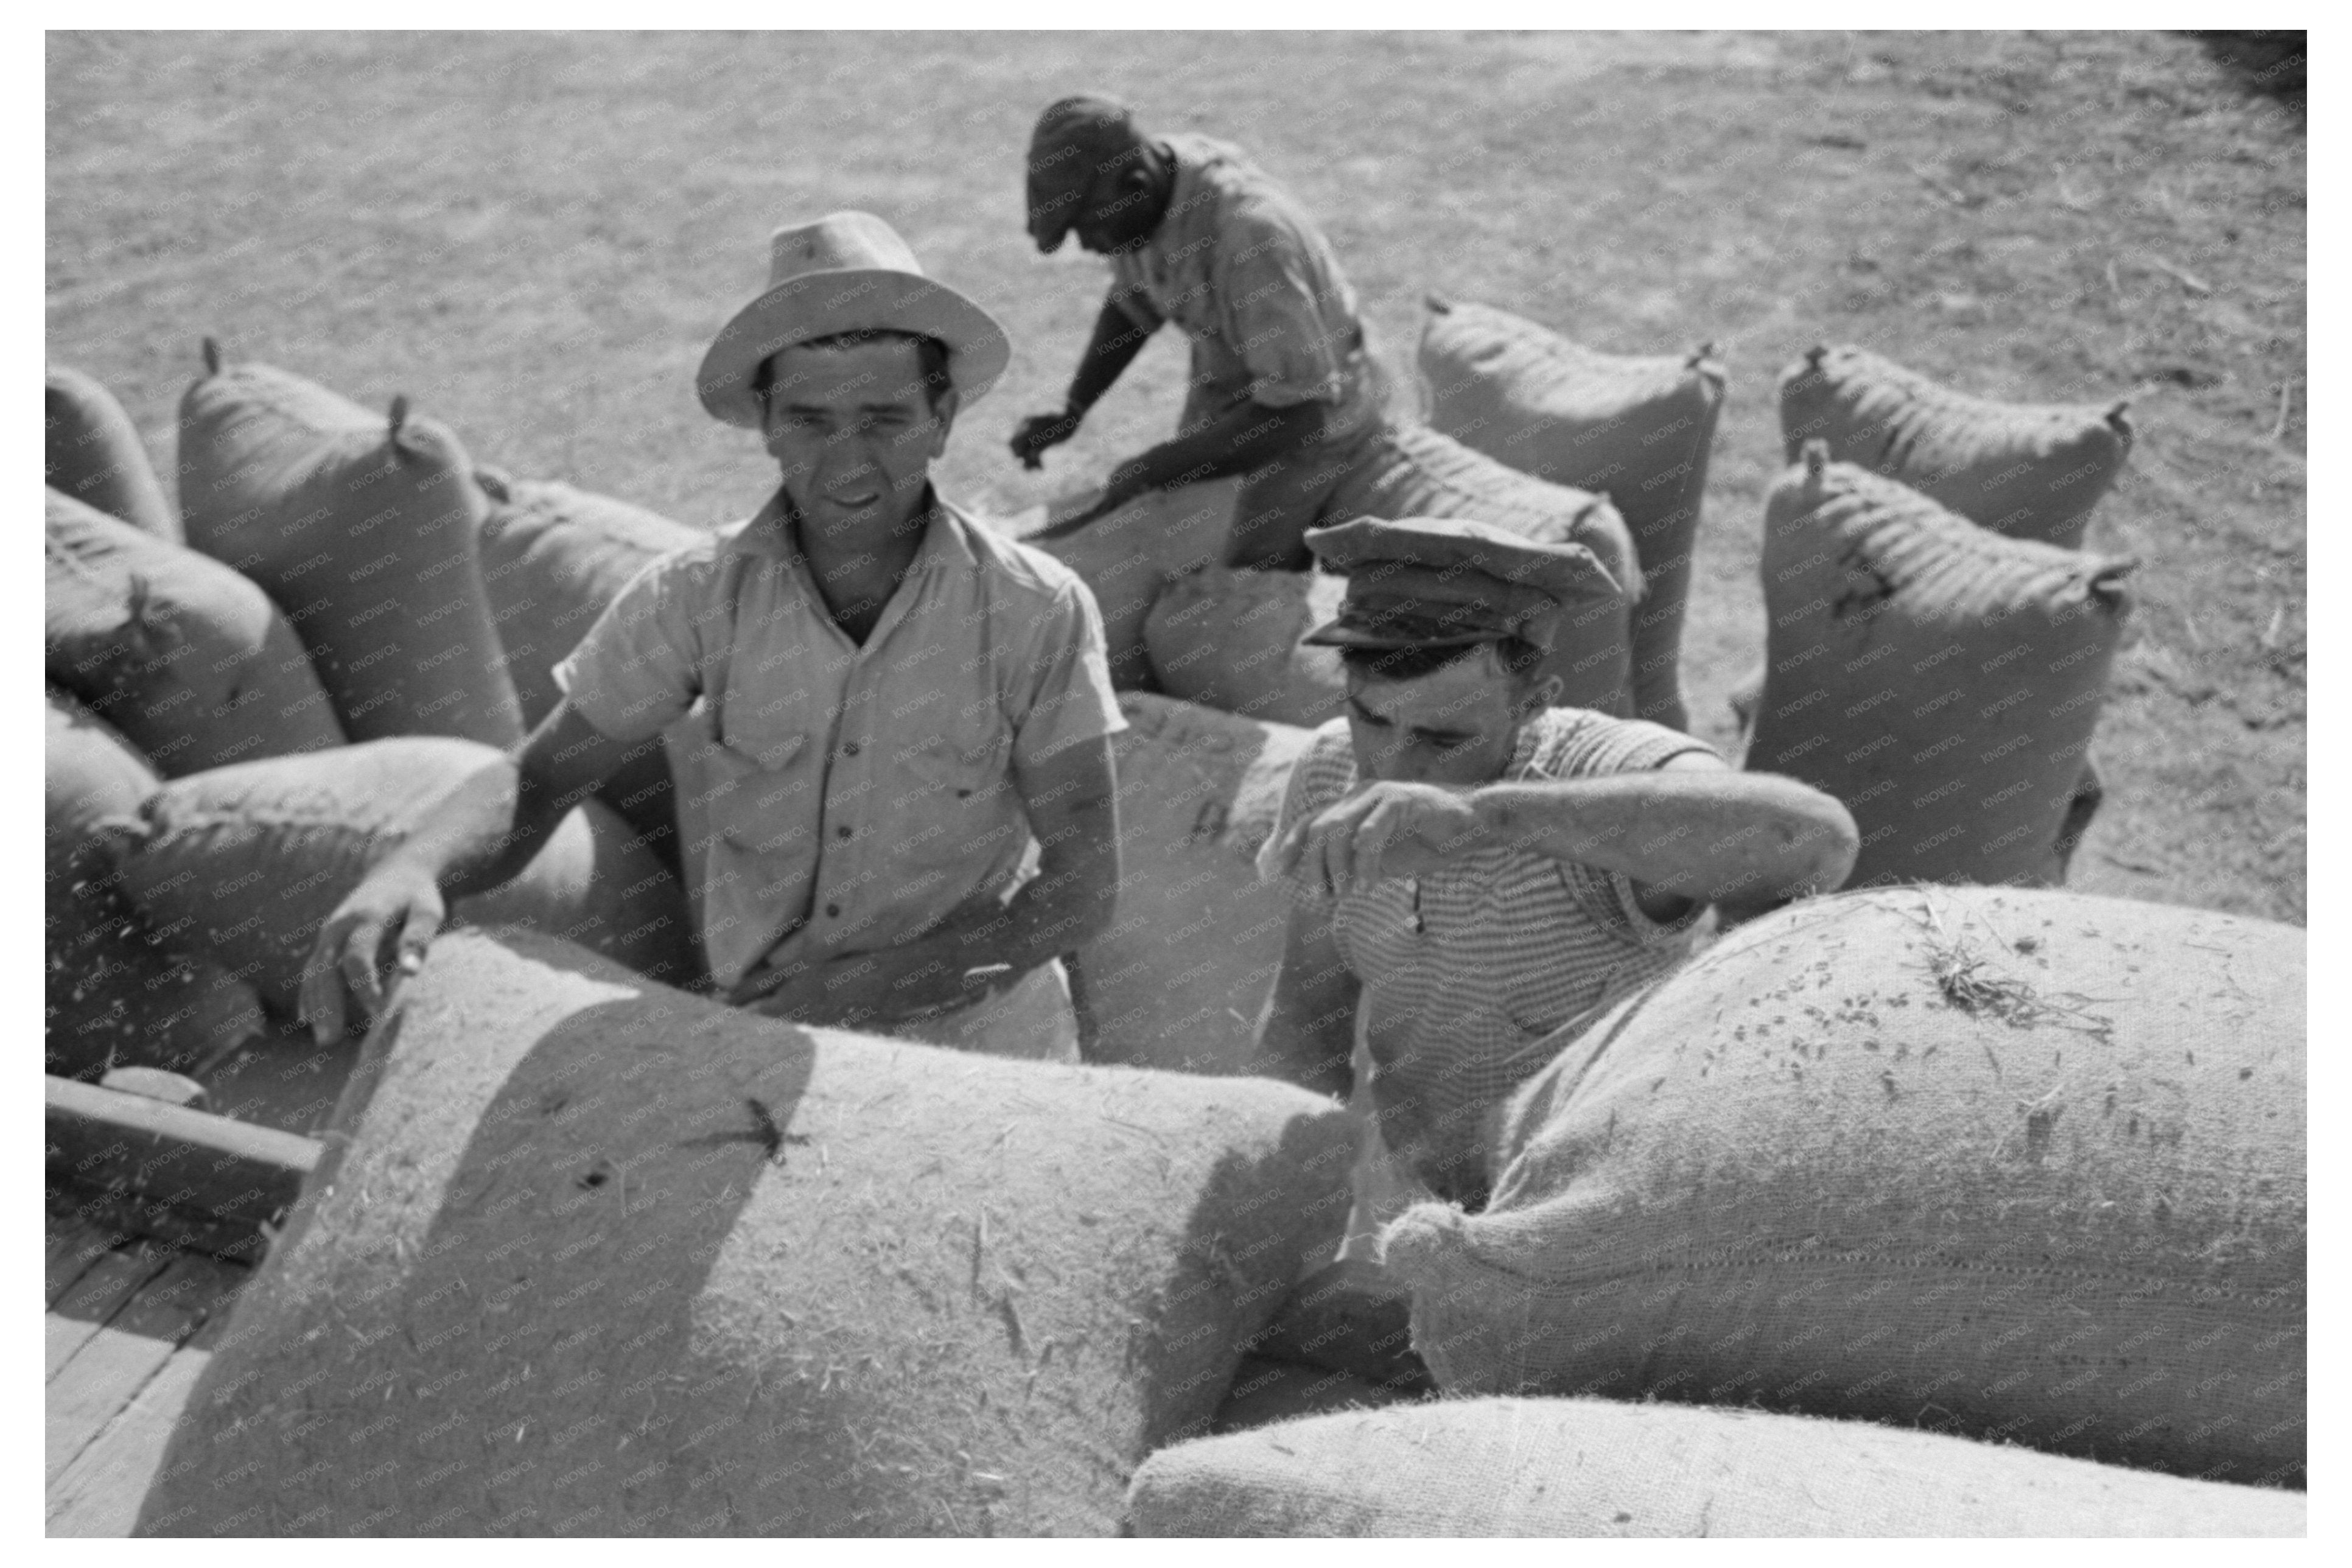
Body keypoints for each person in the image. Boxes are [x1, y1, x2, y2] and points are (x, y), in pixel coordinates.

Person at [299, 211, 1125, 1062]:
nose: (848, 462)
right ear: (765, 421)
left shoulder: (1034, 611)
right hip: (767, 1045)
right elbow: (539, 781)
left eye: (884, 419)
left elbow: (1081, 889)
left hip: (983, 1062)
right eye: (810, 421)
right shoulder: (695, 599)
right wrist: (411, 871)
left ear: (942, 416)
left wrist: (872, 990)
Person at [1253, 516, 1859, 1209]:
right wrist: (1283, 1200)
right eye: (1372, 719)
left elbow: (1815, 841)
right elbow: (1308, 1012)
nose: (1392, 765)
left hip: (1601, 1215)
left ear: (1534, 702)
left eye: (1442, 738)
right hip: (1432, 1210)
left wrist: (1485, 816)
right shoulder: (1331, 769)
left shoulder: (1607, 774)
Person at [1011, 93, 1390, 572]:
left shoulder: (1250, 238)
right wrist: (1074, 409)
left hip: (1315, 424)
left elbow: (1301, 413)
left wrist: (1157, 469)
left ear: (1136, 185)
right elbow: (1133, 302)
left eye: (1089, 228)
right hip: (1239, 399)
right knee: (1179, 556)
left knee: (1234, 586)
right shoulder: (1142, 193)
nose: (1088, 246)